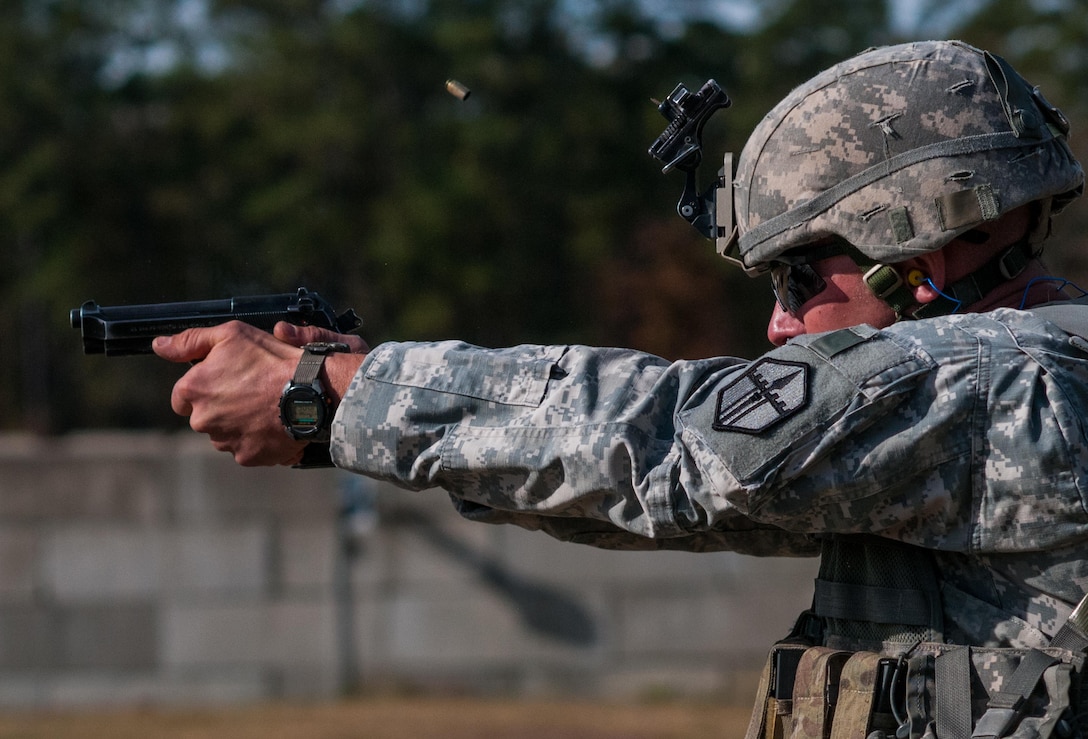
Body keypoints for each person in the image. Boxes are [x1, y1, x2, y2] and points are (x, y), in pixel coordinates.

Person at [154, 40, 1088, 737]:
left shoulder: (1006, 379)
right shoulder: (992, 397)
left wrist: (341, 390)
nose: (779, 323)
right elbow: (674, 501)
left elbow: (676, 448)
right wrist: (342, 411)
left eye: (801, 276)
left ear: (926, 246)